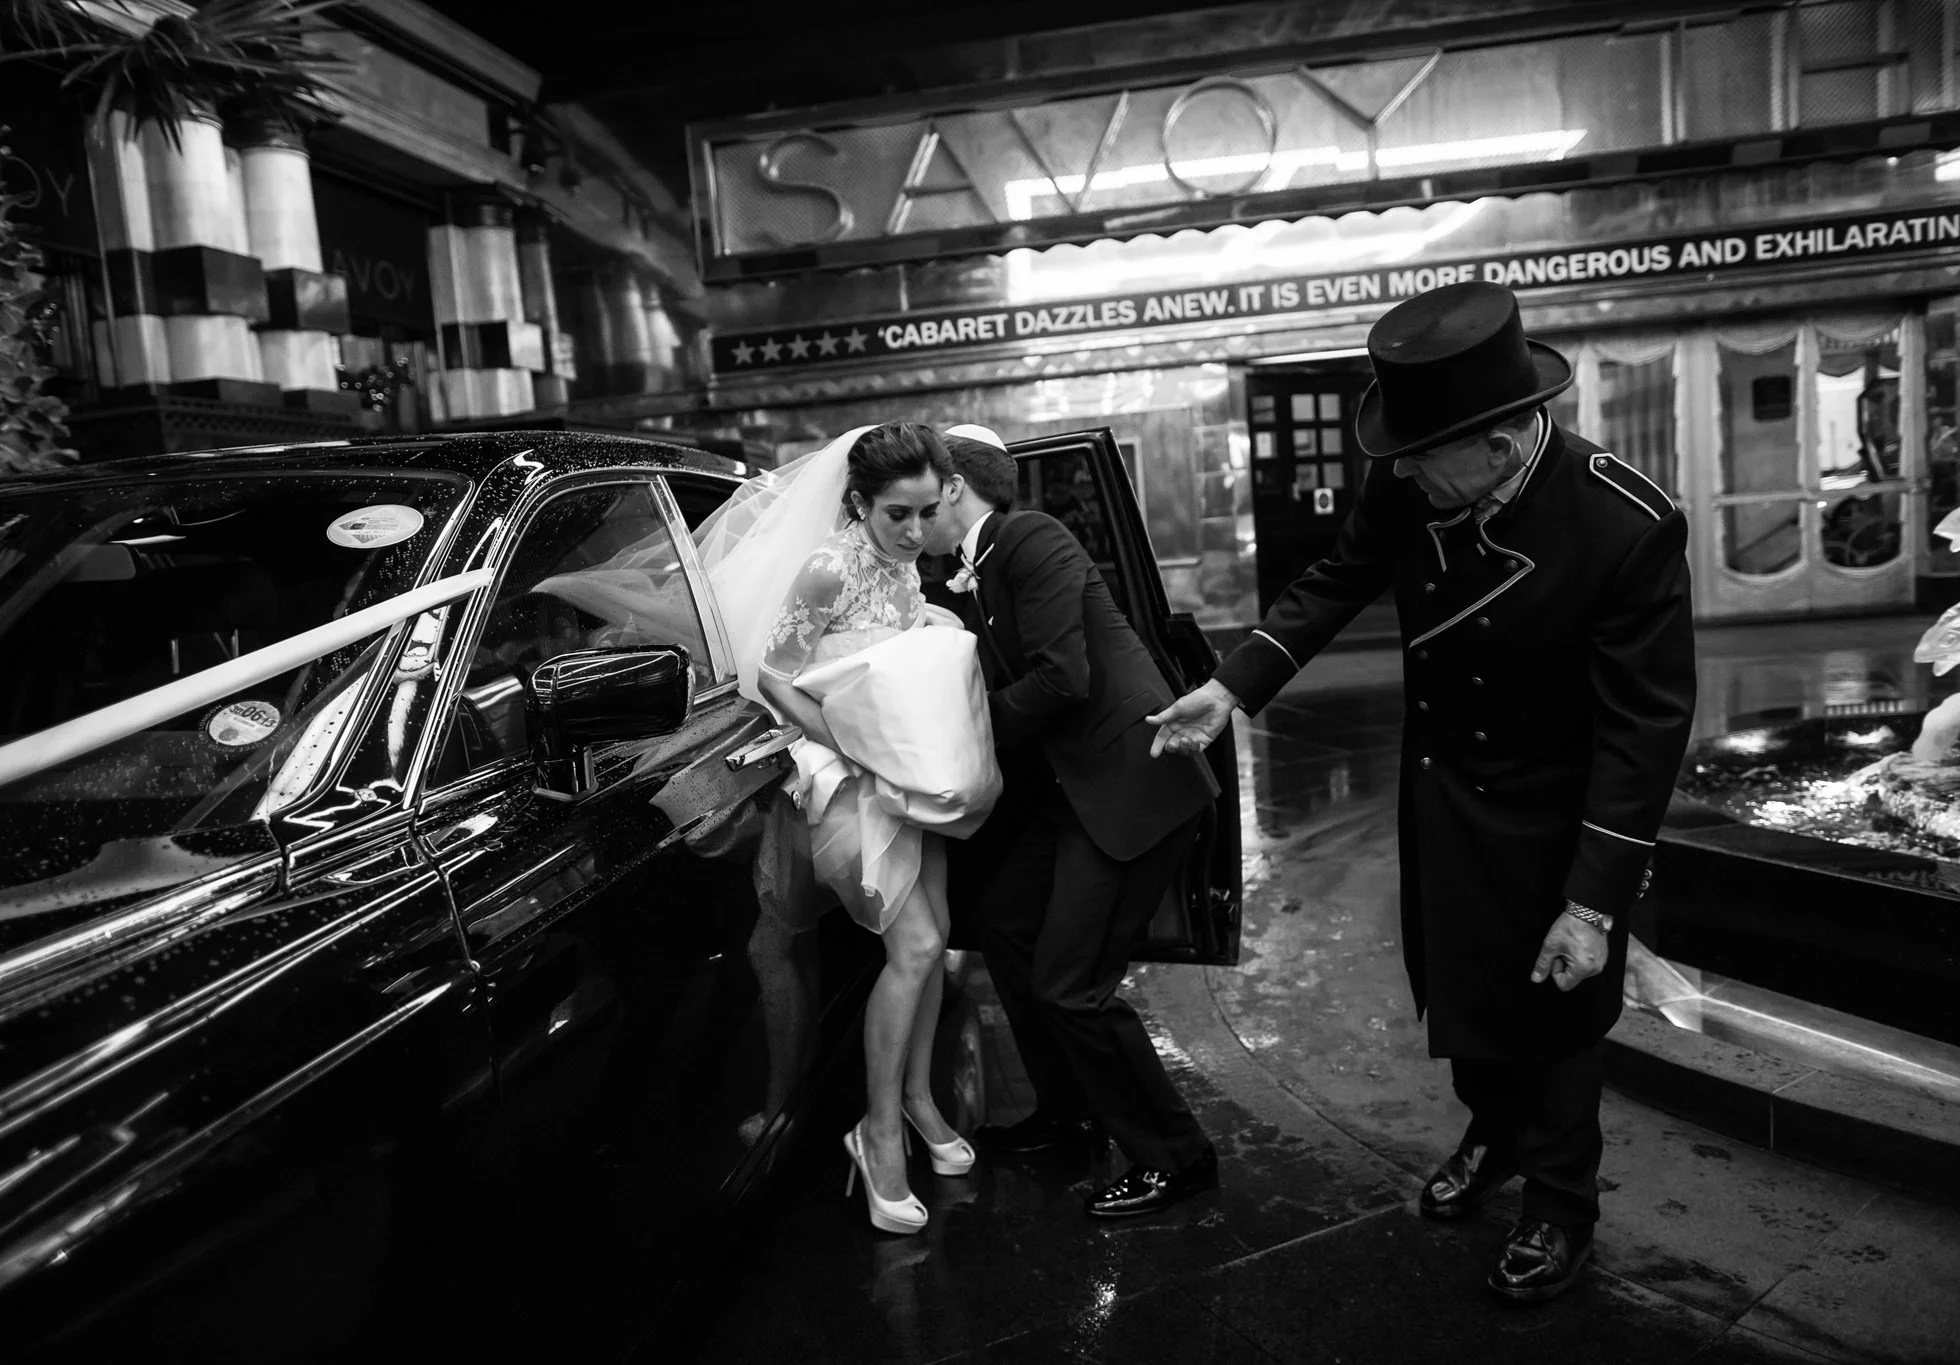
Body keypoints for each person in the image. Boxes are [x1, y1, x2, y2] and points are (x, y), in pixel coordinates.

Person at [1147, 281, 1696, 1301]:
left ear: (1494, 442)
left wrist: (1592, 900)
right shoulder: (1411, 483)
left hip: (1559, 807)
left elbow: (1643, 729)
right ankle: (1493, 1137)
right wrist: (1230, 686)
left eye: (1418, 455)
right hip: (1446, 787)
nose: (1398, 473)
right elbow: (1335, 578)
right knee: (1458, 994)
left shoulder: (1622, 523)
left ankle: (1558, 1209)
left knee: (1557, 1016)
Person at [695, 422, 1002, 1237]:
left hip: (901, 774)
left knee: (934, 943)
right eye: (896, 515)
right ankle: (875, 1133)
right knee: (914, 947)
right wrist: (851, 744)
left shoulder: (903, 566)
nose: (914, 533)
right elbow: (775, 674)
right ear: (860, 501)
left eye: (928, 513)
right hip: (842, 780)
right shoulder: (830, 566)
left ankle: (918, 1097)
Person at [927, 423, 1222, 1221]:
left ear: (953, 486)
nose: (917, 516)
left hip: (1130, 788)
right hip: (1065, 793)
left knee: (1072, 984)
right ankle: (1070, 1110)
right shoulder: (964, 570)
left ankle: (1176, 1154)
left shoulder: (1030, 537)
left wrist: (950, 733)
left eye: (925, 495)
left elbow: (1061, 679)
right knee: (1005, 926)